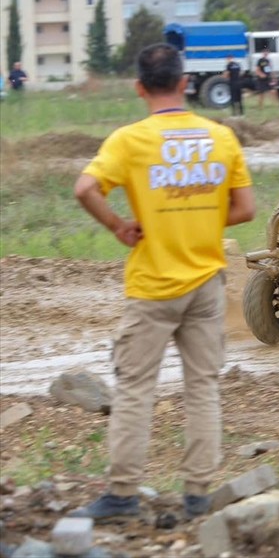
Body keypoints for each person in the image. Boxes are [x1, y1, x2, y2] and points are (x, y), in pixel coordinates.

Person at [69, 43, 255, 522]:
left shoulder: (128, 141)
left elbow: (85, 189)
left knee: (134, 388)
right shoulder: (220, 136)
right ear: (184, 83)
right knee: (203, 387)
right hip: (207, 284)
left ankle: (123, 495)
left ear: (138, 87)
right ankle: (196, 496)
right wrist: (197, 221)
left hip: (152, 286)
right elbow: (245, 209)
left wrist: (117, 226)